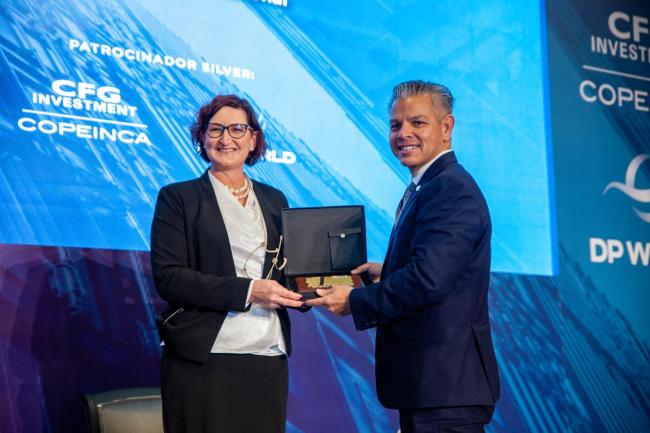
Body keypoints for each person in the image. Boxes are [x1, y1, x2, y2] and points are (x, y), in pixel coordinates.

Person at [307, 80, 500, 433]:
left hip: (444, 389)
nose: (403, 133)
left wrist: (355, 300)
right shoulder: (430, 186)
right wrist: (390, 271)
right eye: (396, 125)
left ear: (446, 127)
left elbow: (428, 280)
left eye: (417, 122)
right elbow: (440, 270)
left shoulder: (451, 189)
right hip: (431, 389)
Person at [150, 94, 305, 433]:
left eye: (237, 129)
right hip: (203, 356)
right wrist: (249, 291)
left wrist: (320, 286)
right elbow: (170, 278)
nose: (226, 139)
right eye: (215, 129)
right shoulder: (178, 198)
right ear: (202, 137)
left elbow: (287, 272)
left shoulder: (274, 199)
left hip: (266, 352)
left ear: (253, 140)